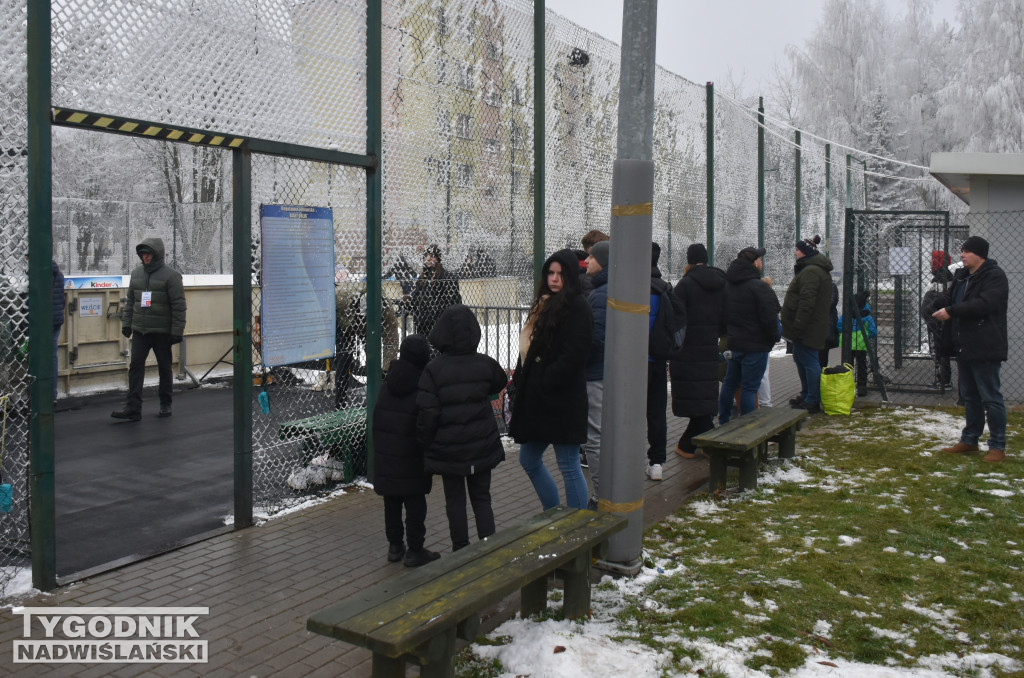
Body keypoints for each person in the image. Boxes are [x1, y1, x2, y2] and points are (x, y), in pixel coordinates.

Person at [417, 304, 509, 550]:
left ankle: (460, 549)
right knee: (482, 498)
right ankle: (488, 546)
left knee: (454, 501)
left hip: (449, 448)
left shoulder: (433, 370)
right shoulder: (485, 364)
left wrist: (423, 443)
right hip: (482, 443)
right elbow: (499, 382)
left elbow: (428, 411)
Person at [509, 249, 592, 510]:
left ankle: (577, 525)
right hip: (539, 400)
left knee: (568, 463)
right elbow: (530, 350)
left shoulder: (577, 307)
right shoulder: (542, 304)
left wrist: (545, 380)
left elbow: (574, 356)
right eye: (551, 273)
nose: (554, 279)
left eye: (560, 274)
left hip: (562, 400)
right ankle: (553, 512)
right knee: (529, 460)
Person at [932, 236, 1007, 463]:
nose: (962, 255)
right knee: (970, 396)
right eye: (962, 251)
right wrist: (937, 301)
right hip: (963, 345)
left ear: (979, 254)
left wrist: (952, 311)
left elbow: (984, 304)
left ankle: (997, 446)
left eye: (966, 251)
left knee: (990, 397)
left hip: (985, 345)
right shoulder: (962, 276)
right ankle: (970, 440)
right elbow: (952, 299)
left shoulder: (995, 276)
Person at [372, 334, 438, 568]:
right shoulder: (423, 385)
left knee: (392, 502)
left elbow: (377, 419)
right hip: (413, 457)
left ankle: (395, 546)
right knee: (415, 503)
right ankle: (415, 549)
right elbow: (426, 423)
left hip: (387, 456)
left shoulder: (387, 383)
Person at [112, 238, 186, 421]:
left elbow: (179, 305)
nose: (145, 257)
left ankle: (165, 403)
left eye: (149, 254)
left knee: (164, 368)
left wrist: (177, 330)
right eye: (143, 254)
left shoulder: (171, 276)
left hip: (162, 332)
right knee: (135, 367)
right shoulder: (136, 274)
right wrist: (127, 323)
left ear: (157, 255)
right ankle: (133, 407)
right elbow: (131, 302)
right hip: (140, 331)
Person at [670, 243, 727, 459]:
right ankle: (698, 444)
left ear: (689, 260)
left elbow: (677, 320)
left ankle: (688, 445)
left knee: (697, 400)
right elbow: (726, 318)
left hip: (688, 351)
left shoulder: (685, 285)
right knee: (704, 398)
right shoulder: (721, 283)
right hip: (709, 347)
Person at [718, 247, 781, 424]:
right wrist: (773, 337)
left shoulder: (727, 285)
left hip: (735, 343)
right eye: (760, 260)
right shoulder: (759, 287)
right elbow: (770, 317)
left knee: (730, 384)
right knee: (749, 388)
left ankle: (723, 420)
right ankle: (748, 426)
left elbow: (722, 314)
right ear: (755, 263)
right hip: (756, 346)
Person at [781, 235, 833, 414]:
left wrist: (798, 325)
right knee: (800, 357)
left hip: (807, 327)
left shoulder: (811, 271)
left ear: (805, 252)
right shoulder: (813, 269)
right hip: (809, 325)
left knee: (809, 361)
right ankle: (806, 394)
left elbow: (806, 302)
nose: (795, 252)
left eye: (797, 249)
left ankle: (812, 398)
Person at [582, 240, 609, 503]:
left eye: (591, 257)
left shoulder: (600, 294)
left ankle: (601, 497)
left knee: (595, 439)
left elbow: (596, 338)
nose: (587, 261)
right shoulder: (606, 289)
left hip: (596, 374)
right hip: (607, 373)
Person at [646, 242, 674, 481]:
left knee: (627, 413)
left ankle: (625, 459)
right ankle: (656, 462)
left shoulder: (629, 288)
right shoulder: (664, 288)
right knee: (656, 413)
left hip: (633, 363)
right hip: (658, 360)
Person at [408, 244, 461, 338]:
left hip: (441, 328)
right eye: (426, 256)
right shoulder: (422, 279)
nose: (428, 259)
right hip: (423, 328)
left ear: (438, 259)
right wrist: (409, 302)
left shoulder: (447, 278)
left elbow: (453, 302)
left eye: (432, 256)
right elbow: (415, 301)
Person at [920, 250, 954, 389]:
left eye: (932, 260)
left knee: (940, 351)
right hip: (935, 320)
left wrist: (929, 309)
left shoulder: (942, 278)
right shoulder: (941, 276)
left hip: (937, 321)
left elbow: (939, 300)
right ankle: (943, 379)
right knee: (939, 350)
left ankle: (944, 381)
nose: (930, 263)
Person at [837, 290, 877, 397]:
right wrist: (865, 334)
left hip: (848, 343)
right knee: (862, 366)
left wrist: (847, 330)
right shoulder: (867, 316)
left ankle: (847, 386)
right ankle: (862, 387)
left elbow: (839, 326)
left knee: (847, 365)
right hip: (861, 344)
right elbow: (873, 331)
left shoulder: (847, 314)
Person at [818, 280, 840, 368]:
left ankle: (821, 378)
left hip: (825, 325)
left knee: (822, 355)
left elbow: (830, 303)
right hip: (818, 325)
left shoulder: (830, 285)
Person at [52, 260, 65, 400]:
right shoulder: (58, 274)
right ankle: (52, 393)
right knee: (52, 356)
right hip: (56, 320)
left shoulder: (38, 274)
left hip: (42, 322)